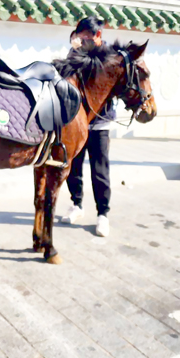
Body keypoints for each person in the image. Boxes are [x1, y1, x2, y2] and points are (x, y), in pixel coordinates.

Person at [61, 17, 116, 237]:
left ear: (98, 36)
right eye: (80, 36)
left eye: (87, 36)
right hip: (77, 122)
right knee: (74, 166)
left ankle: (103, 214)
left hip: (100, 122)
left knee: (99, 170)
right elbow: (66, 75)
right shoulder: (77, 52)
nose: (83, 40)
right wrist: (73, 52)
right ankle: (77, 204)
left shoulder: (110, 56)